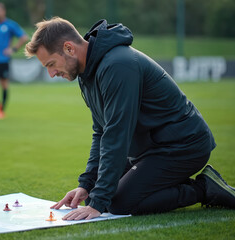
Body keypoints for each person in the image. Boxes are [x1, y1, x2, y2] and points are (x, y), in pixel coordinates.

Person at [25, 17, 235, 220]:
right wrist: (87, 184)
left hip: (183, 146)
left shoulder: (117, 64)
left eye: (51, 64)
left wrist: (97, 201)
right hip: (153, 148)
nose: (51, 73)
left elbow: (117, 133)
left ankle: (205, 188)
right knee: (104, 196)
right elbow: (101, 131)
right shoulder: (88, 73)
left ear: (69, 48)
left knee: (119, 203)